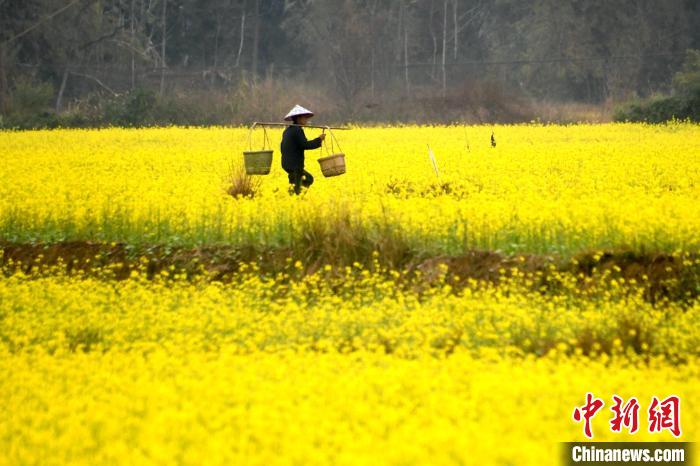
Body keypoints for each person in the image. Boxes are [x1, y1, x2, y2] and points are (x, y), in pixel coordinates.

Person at [280, 105, 326, 195]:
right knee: (300, 183)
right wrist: (319, 140)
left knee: (307, 179)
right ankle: (295, 197)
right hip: (294, 165)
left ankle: (295, 195)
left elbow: (282, 147)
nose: (306, 120)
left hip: (287, 163)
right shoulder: (297, 130)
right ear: (298, 118)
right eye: (305, 118)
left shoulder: (288, 130)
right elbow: (305, 145)